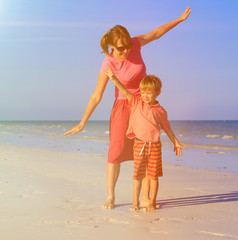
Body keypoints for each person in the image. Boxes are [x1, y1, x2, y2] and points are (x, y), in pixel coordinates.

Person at [64, 7, 191, 209]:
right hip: (123, 106)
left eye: (126, 47)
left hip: (144, 106)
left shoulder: (135, 44)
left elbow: (156, 33)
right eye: (120, 48)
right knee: (115, 150)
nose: (125, 51)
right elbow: (97, 95)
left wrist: (179, 19)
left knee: (145, 152)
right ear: (111, 46)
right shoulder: (108, 62)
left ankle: (146, 198)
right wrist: (82, 123)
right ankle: (111, 196)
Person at [105, 67, 185, 211]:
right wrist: (114, 78)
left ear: (157, 93)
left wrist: (176, 142)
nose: (145, 95)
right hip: (139, 144)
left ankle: (152, 202)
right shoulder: (136, 102)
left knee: (153, 176)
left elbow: (167, 128)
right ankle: (135, 203)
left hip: (154, 146)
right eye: (143, 92)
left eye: (149, 92)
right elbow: (124, 91)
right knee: (138, 176)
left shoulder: (161, 111)